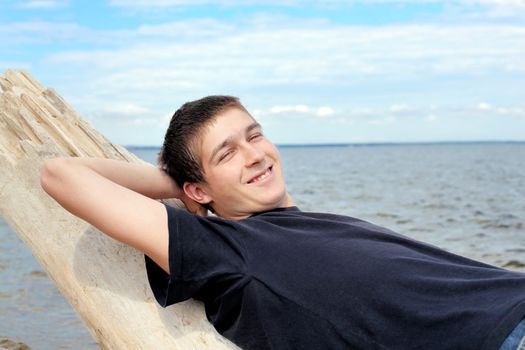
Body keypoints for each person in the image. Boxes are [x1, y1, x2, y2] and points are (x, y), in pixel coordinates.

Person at [40, 96, 525, 350]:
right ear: (199, 190)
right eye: (227, 153)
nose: (254, 155)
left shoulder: (305, 224)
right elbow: (61, 174)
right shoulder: (225, 248)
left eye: (255, 136)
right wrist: (177, 184)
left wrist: (206, 177)